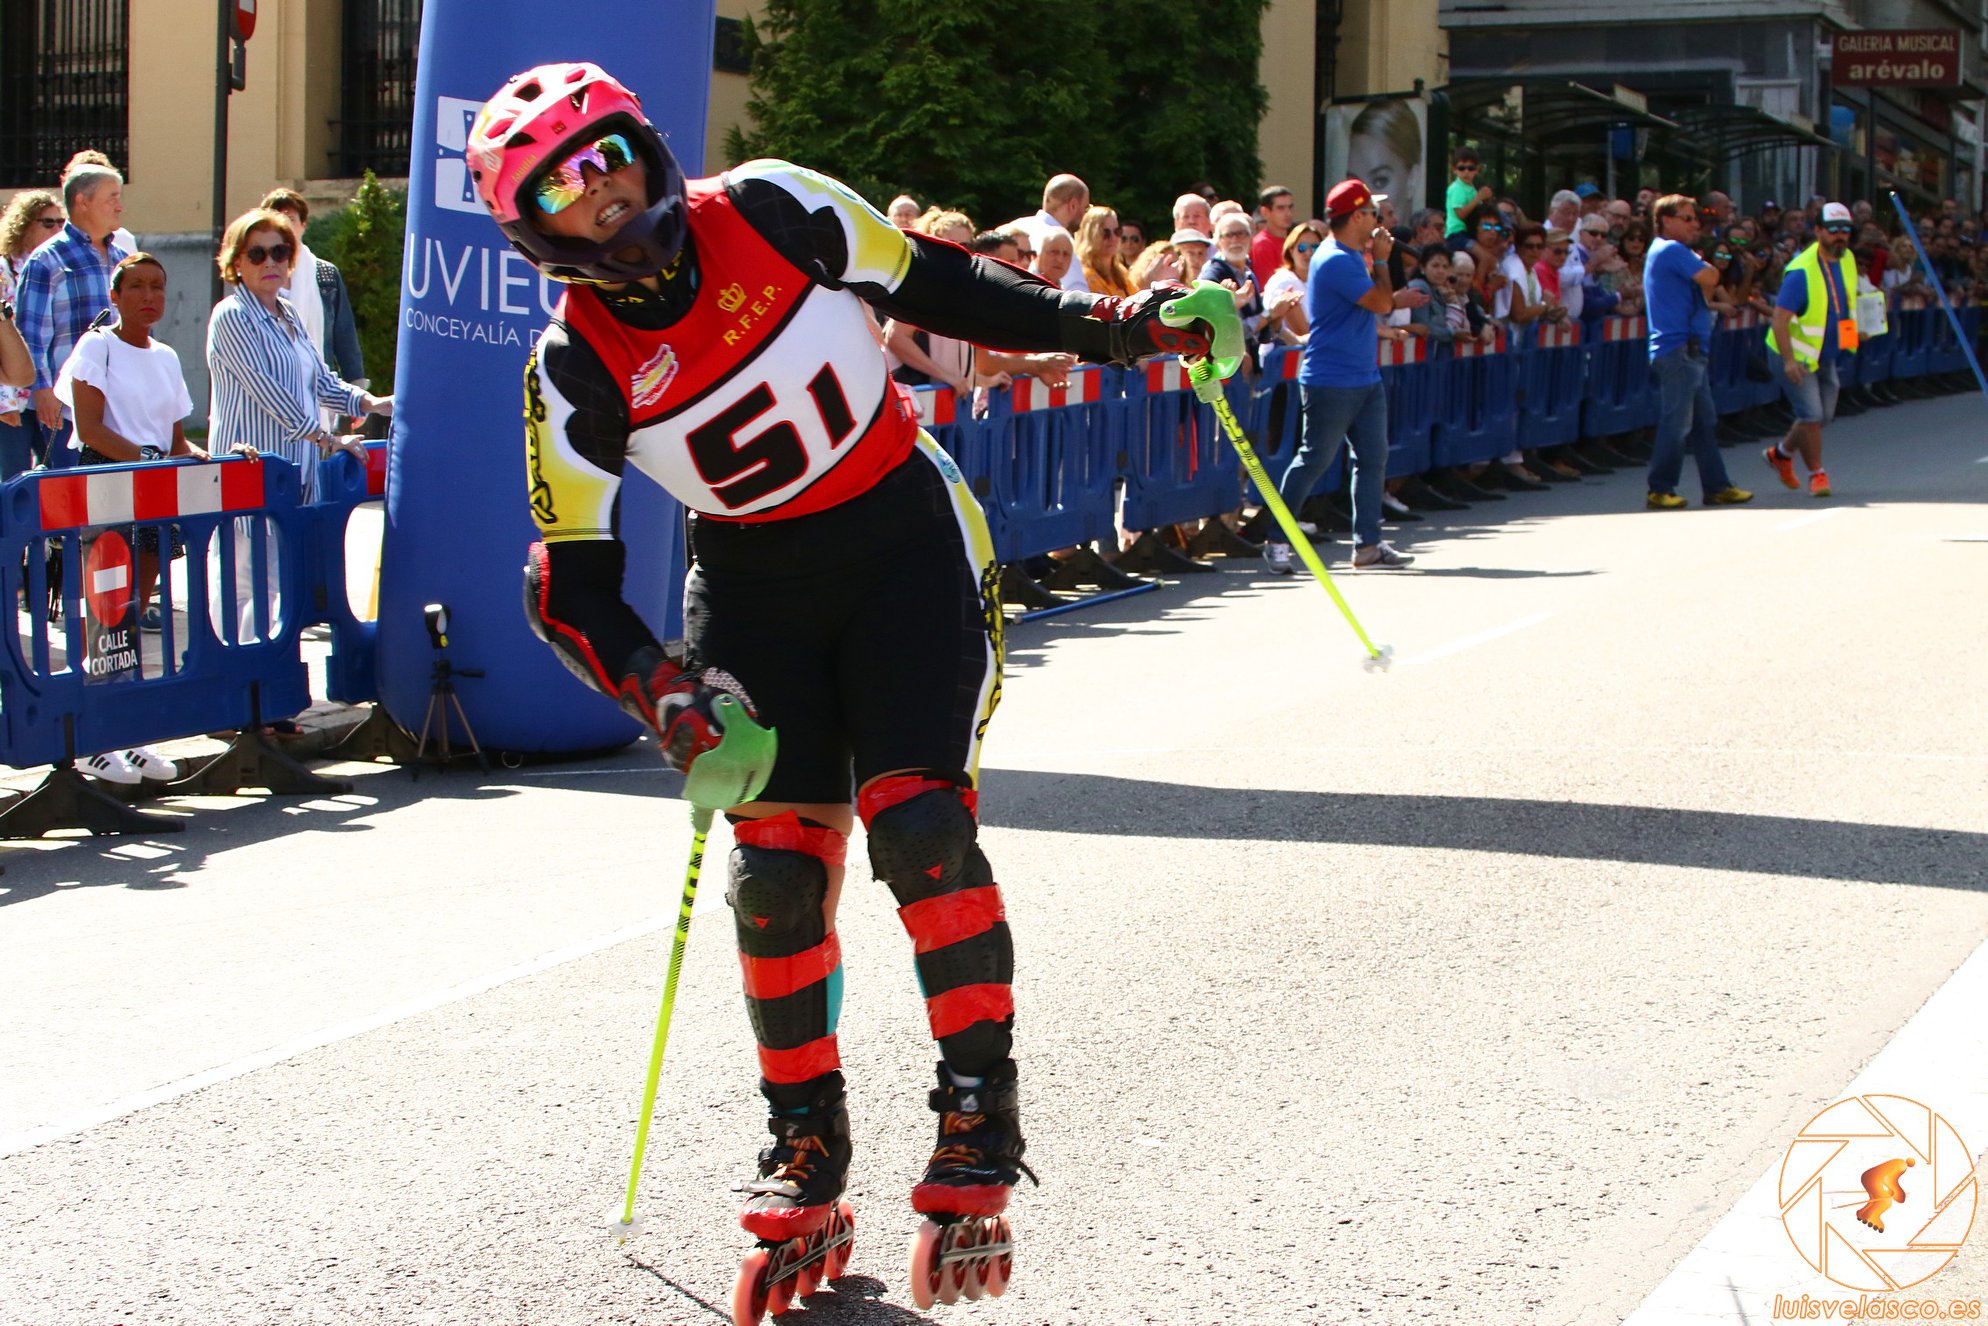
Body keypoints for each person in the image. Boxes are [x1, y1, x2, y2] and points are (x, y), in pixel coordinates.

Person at [462, 61, 1236, 1289]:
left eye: (606, 155)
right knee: (775, 879)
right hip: (753, 592)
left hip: (904, 547)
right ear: (533, 233)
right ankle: (804, 1144)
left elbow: (941, 282)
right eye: (562, 187)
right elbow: (568, 582)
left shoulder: (768, 205)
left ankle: (978, 1113)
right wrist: (663, 695)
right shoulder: (572, 367)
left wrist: (1119, 325)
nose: (599, 191)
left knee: (918, 828)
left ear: (646, 147)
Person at [1262, 179, 1415, 575]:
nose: (1378, 222)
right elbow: (1380, 301)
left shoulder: (1345, 255)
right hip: (1331, 377)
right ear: (1358, 216)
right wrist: (1382, 260)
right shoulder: (1335, 259)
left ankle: (1368, 545)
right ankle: (1277, 538)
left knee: (1372, 458)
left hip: (1362, 376)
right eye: (1372, 214)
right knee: (1314, 459)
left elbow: (1373, 304)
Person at [1642, 194, 1752, 510]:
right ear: (1666, 221)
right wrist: (1702, 263)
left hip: (1688, 349)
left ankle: (1717, 486)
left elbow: (1706, 284)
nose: (1695, 225)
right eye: (1687, 218)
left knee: (1704, 422)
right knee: (1677, 423)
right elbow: (1711, 277)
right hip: (1678, 349)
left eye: (1695, 218)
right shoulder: (1671, 249)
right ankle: (1660, 488)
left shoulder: (1671, 251)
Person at [14, 162, 127, 468]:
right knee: (72, 491)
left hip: (118, 406)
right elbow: (31, 334)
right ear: (82, 201)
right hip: (67, 409)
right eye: (112, 197)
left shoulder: (123, 261)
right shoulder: (47, 260)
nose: (119, 206)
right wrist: (42, 390)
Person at [1764, 201, 1858, 499]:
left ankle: (1781, 454)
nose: (1840, 236)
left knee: (1821, 416)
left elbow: (1846, 303)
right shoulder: (1801, 270)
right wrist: (1789, 361)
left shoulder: (1847, 258)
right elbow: (1779, 318)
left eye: (1845, 230)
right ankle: (1817, 474)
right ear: (1818, 231)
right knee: (1812, 415)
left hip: (1823, 354)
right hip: (1795, 355)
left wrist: (1856, 332)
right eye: (1833, 230)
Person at [257, 189, 366, 407]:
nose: (284, 225)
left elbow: (344, 334)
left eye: (290, 219)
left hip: (319, 387)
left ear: (303, 225)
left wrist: (357, 388)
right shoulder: (259, 272)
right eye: (276, 219)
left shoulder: (325, 274)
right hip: (271, 387)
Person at [0, 191, 63, 477]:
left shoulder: (55, 266)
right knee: (15, 479)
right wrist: (5, 403)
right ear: (24, 226)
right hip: (15, 395)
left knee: (57, 474)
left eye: (61, 222)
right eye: (48, 223)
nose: (57, 229)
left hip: (48, 389)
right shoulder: (5, 269)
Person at [1261, 222, 1323, 344]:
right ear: (1291, 250)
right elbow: (1302, 331)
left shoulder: (1320, 281)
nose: (1309, 253)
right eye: (1302, 248)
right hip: (1284, 352)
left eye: (1315, 247)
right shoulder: (1284, 281)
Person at [1032, 174, 1091, 292]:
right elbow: (1077, 294)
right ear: (1073, 205)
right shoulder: (1063, 243)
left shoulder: (1012, 228)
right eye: (1086, 208)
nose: (1085, 215)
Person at [1074, 205, 1134, 297]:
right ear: (1091, 235)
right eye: (1105, 233)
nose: (1113, 238)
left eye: (1117, 231)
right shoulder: (1084, 276)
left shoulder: (1121, 272)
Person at [1445, 147, 1492, 250]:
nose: (1466, 172)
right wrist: (1478, 198)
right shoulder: (1457, 188)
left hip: (1471, 232)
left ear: (1477, 170)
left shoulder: (1471, 189)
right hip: (1456, 234)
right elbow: (1460, 214)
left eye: (1471, 168)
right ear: (1454, 169)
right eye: (1461, 168)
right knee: (1483, 255)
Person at [1250, 185, 1294, 286]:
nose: (1288, 213)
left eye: (1290, 207)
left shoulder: (1292, 241)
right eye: (1281, 208)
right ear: (1265, 212)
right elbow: (1267, 286)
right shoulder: (1262, 244)